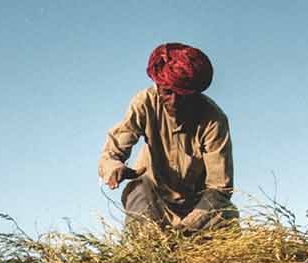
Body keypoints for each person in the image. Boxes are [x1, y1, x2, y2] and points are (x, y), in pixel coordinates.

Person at [98, 43, 234, 229]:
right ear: (158, 86)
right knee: (137, 190)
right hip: (154, 200)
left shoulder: (213, 120)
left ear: (195, 93)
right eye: (167, 92)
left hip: (199, 208)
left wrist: (184, 229)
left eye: (182, 94)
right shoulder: (145, 102)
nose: (174, 101)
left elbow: (219, 189)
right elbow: (112, 153)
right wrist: (114, 167)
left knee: (225, 213)